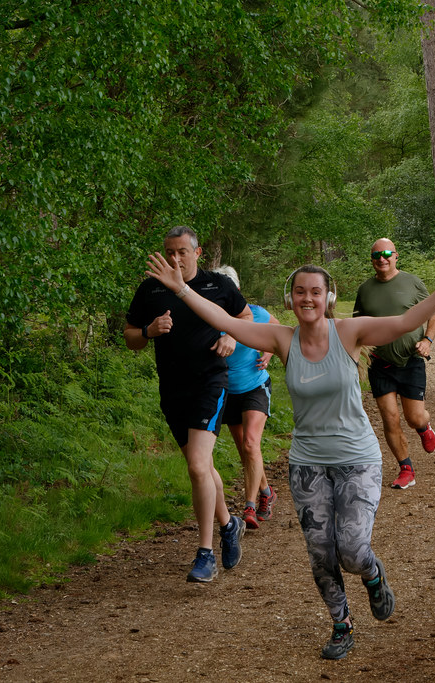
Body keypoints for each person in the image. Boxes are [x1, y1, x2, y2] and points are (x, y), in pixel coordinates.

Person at [144, 251, 435, 661]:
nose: (307, 298)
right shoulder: (282, 339)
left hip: (357, 458)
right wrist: (182, 290)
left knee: (352, 550)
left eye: (315, 291)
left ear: (328, 297)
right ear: (290, 298)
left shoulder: (349, 332)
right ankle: (341, 624)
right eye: (299, 292)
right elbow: (224, 320)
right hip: (308, 464)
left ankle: (372, 574)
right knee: (321, 552)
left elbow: (404, 322)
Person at [124, 227, 252, 583]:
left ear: (197, 253)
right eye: (169, 251)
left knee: (197, 466)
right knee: (202, 467)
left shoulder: (217, 285)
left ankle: (205, 553)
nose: (175, 258)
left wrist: (230, 336)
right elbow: (130, 337)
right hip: (172, 389)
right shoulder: (150, 289)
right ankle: (229, 524)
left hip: (210, 383)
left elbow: (245, 317)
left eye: (182, 251)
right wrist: (148, 331)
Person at [353, 238, 435, 491]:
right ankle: (406, 469)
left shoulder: (412, 283)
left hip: (410, 360)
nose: (382, 258)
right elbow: (356, 325)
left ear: (396, 256)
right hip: (379, 363)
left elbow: (434, 312)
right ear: (372, 260)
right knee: (390, 419)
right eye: (376, 255)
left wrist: (427, 340)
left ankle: (423, 426)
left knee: (414, 417)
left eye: (387, 254)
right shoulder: (365, 290)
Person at [213, 265, 280, 530]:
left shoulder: (256, 313)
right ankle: (266, 492)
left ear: (237, 290)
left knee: (251, 444)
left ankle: (249, 506)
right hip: (227, 390)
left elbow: (278, 330)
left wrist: (269, 352)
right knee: (245, 450)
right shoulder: (210, 317)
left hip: (255, 386)